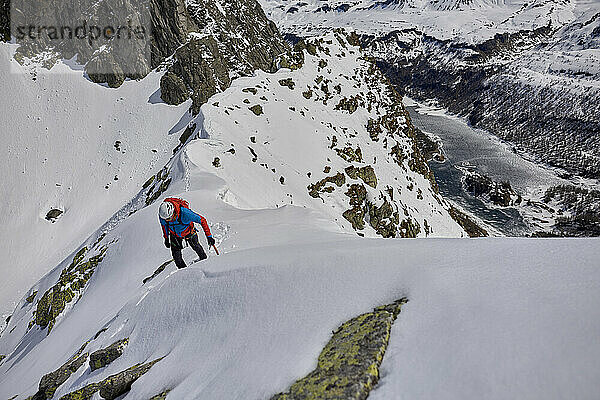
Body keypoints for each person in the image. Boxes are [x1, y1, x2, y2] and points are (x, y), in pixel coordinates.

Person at [158, 198, 216, 269]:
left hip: (189, 232)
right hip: (174, 234)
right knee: (176, 257)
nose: (167, 221)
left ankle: (205, 261)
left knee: (196, 247)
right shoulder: (163, 215)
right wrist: (166, 238)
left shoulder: (185, 213)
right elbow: (164, 226)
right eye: (166, 219)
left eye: (169, 219)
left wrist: (209, 236)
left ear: (173, 213)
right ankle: (184, 273)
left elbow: (202, 220)